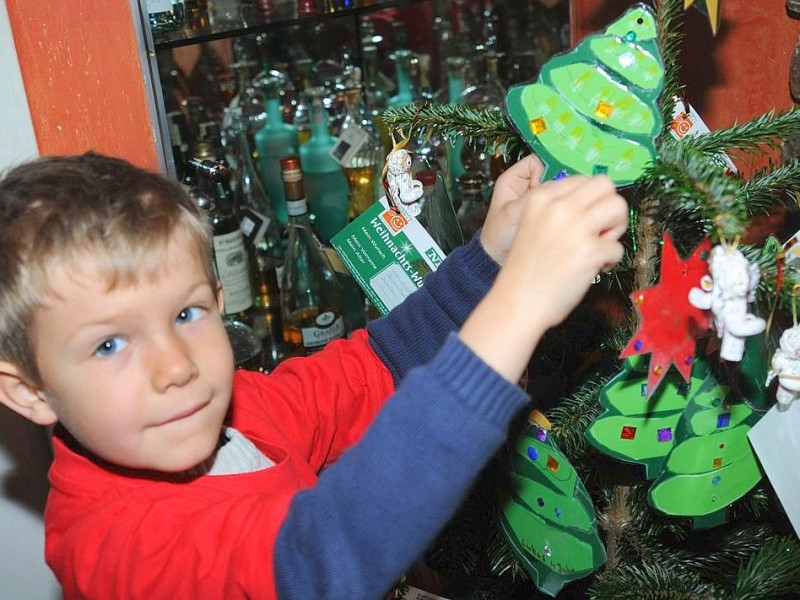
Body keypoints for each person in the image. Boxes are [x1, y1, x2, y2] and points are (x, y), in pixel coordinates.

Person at [0, 151, 627, 599]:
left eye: (186, 313)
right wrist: (520, 304)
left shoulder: (236, 410)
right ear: (28, 389)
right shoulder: (116, 550)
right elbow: (322, 558)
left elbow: (376, 365)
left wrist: (493, 259)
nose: (176, 366)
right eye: (109, 344)